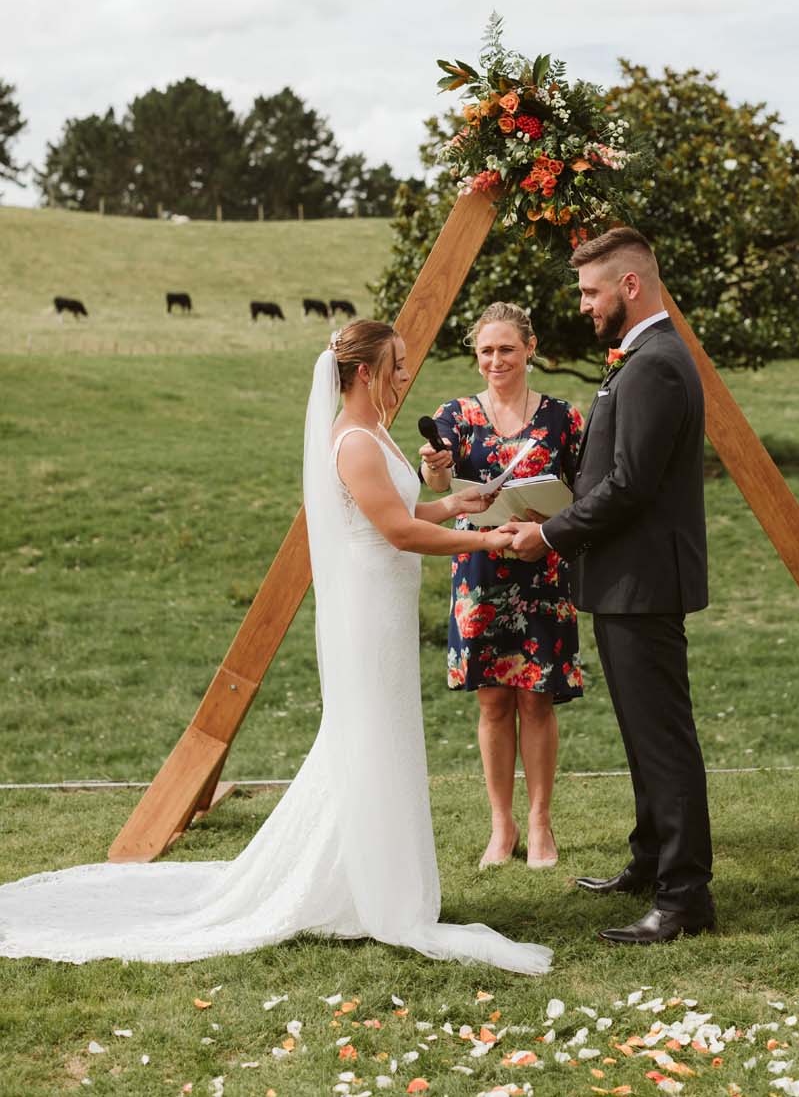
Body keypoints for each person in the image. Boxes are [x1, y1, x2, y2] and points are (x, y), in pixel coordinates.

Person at [0, 320, 552, 975]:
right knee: (369, 736)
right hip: (368, 618)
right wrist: (489, 540)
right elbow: (398, 534)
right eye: (397, 366)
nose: (406, 376)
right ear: (367, 373)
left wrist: (460, 501)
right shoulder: (353, 443)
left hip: (388, 613)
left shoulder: (375, 434)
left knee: (384, 738)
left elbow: (406, 514)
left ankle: (365, 878)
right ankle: (362, 889)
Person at [503, 229, 714, 946]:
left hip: (644, 581)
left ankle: (686, 897)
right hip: (629, 580)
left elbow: (629, 485)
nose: (585, 304)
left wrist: (551, 534)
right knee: (642, 734)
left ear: (630, 286)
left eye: (592, 291)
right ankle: (650, 863)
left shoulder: (655, 364)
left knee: (663, 741)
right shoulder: (642, 357)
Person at [419, 302, 584, 872]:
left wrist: (553, 525)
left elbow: (585, 495)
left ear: (530, 348)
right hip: (481, 571)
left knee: (536, 698)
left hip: (543, 568)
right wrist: (435, 467)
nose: (496, 360)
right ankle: (501, 825)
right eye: (486, 351)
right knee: (492, 701)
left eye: (506, 348)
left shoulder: (564, 417)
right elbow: (437, 484)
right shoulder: (455, 416)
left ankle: (540, 823)